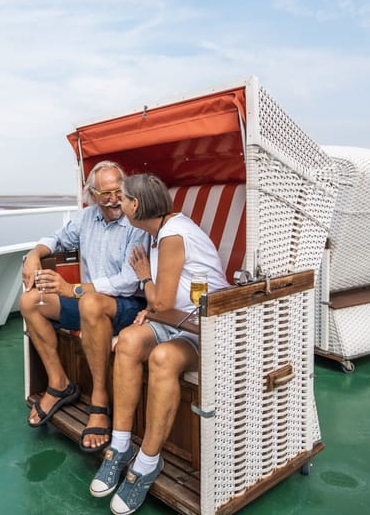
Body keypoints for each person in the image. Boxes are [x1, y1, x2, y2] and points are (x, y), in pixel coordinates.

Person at [91, 173, 228, 515]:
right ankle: (120, 447)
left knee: (164, 358)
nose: (118, 204)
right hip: (175, 321)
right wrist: (149, 312)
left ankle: (148, 461)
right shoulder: (156, 233)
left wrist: (144, 278)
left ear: (135, 205)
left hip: (209, 326)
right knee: (128, 341)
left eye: (121, 198)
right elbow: (161, 307)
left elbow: (162, 303)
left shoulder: (171, 236)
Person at [21, 160, 149, 452]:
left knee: (89, 302)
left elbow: (130, 281)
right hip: (89, 302)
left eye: (119, 191)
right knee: (30, 301)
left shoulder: (135, 222)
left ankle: (100, 400)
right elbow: (55, 239)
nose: (114, 199)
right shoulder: (86, 217)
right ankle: (59, 383)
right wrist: (34, 254)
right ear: (92, 193)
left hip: (127, 307)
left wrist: (73, 289)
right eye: (105, 194)